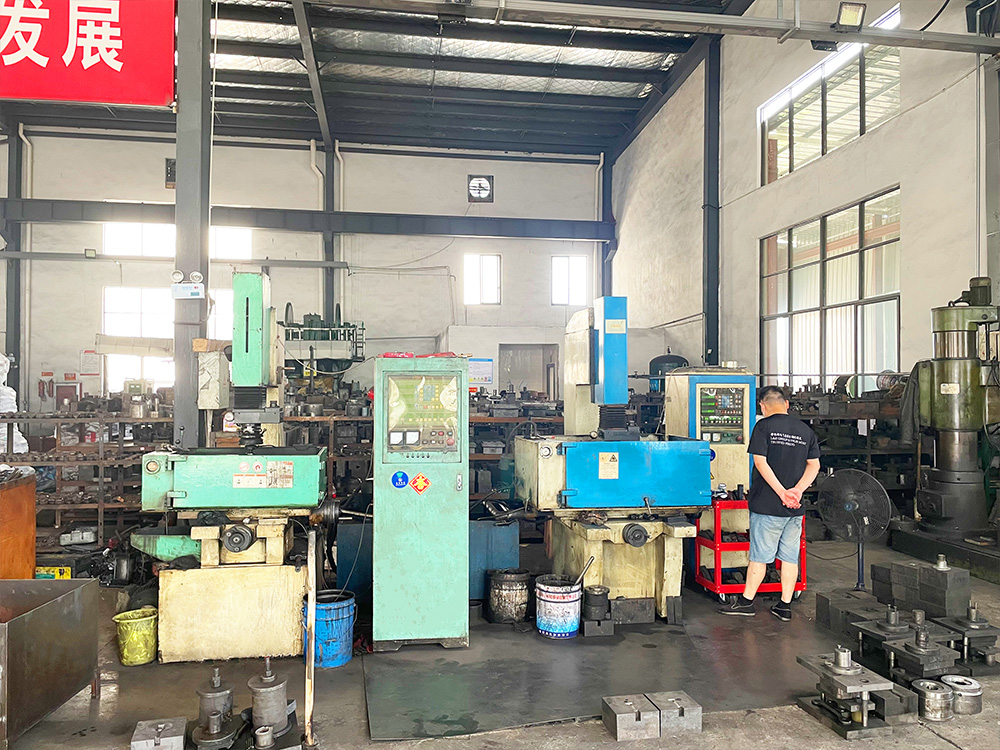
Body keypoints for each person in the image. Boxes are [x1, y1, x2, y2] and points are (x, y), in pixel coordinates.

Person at [719, 385, 820, 621]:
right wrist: (796, 491)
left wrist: (782, 493)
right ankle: (784, 606)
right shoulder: (805, 430)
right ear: (786, 405)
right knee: (790, 558)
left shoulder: (763, 427)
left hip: (767, 506)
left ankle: (746, 603)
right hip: (794, 509)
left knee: (759, 557)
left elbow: (760, 462)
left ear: (762, 406)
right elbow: (814, 465)